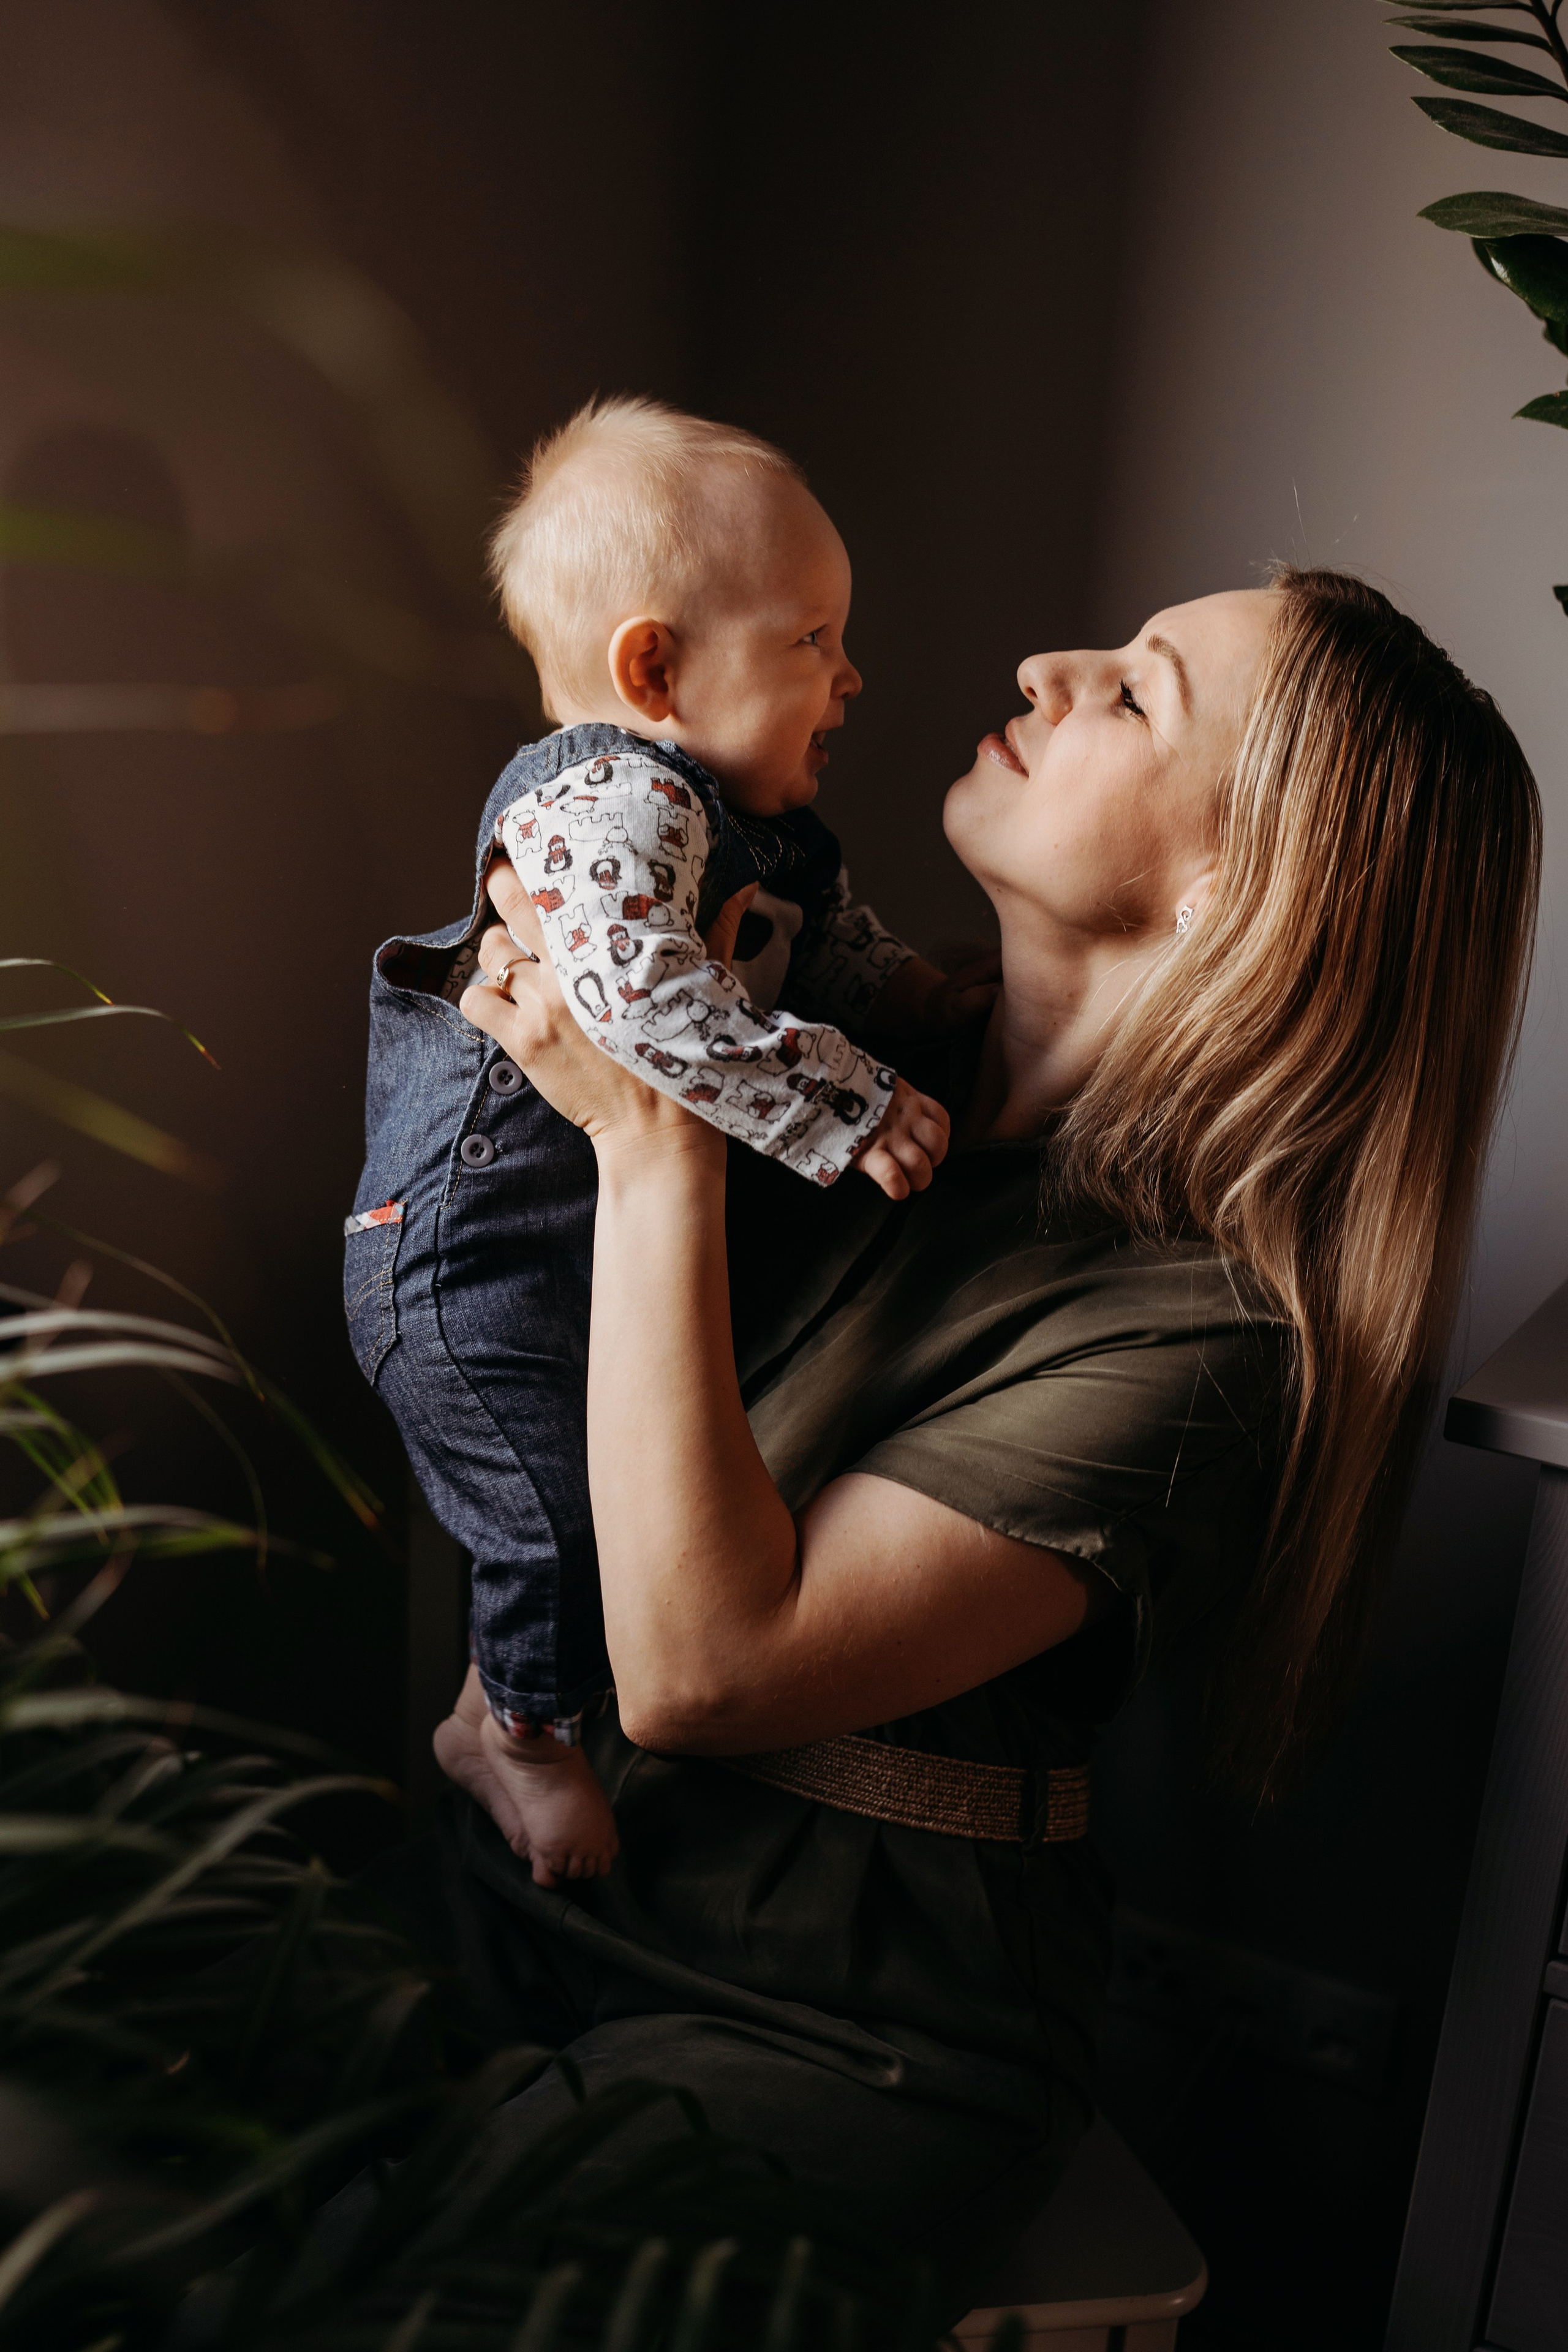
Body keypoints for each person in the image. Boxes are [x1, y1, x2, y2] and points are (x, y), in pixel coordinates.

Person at [366, 569, 1540, 2320]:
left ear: (1243, 889)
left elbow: (702, 1671)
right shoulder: (828, 1050)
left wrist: (657, 1135)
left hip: (831, 2030)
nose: (1047, 667)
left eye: (1138, 695)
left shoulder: (1207, 1331)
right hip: (528, 1891)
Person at [344, 399, 989, 1885]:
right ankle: (508, 1732)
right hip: (460, 1253)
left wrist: (903, 995)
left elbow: (817, 940)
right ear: (654, 669)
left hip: (555, 1236)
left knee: (593, 1492)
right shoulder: (609, 803)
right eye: (809, 641)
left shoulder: (749, 818)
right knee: (553, 1521)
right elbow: (638, 1001)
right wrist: (843, 1098)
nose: (849, 677)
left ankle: (497, 1696)